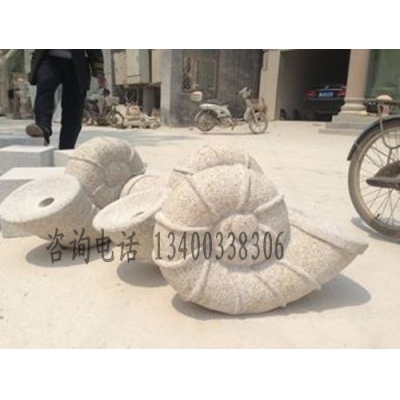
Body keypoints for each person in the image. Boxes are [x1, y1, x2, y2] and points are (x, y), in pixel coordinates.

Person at [26, 50, 105, 149]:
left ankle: (67, 146)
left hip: (76, 64)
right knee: (45, 83)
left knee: (73, 107)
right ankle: (43, 127)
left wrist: (98, 70)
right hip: (48, 58)